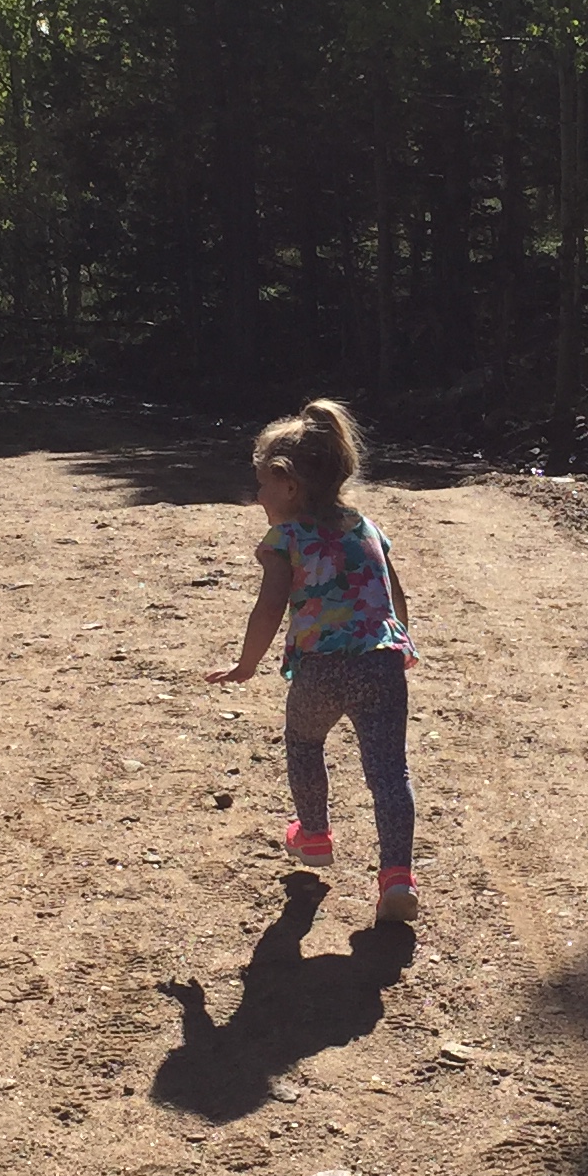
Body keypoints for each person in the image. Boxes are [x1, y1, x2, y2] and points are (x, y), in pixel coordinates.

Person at [205, 397, 419, 926]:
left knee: (304, 742)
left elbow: (271, 605)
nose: (257, 495)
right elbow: (394, 590)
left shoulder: (287, 537)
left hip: (322, 668)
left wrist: (247, 664)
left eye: (261, 484)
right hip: (381, 663)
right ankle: (397, 876)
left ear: (288, 484)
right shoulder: (364, 526)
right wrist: (400, 641)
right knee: (389, 773)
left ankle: (315, 834)